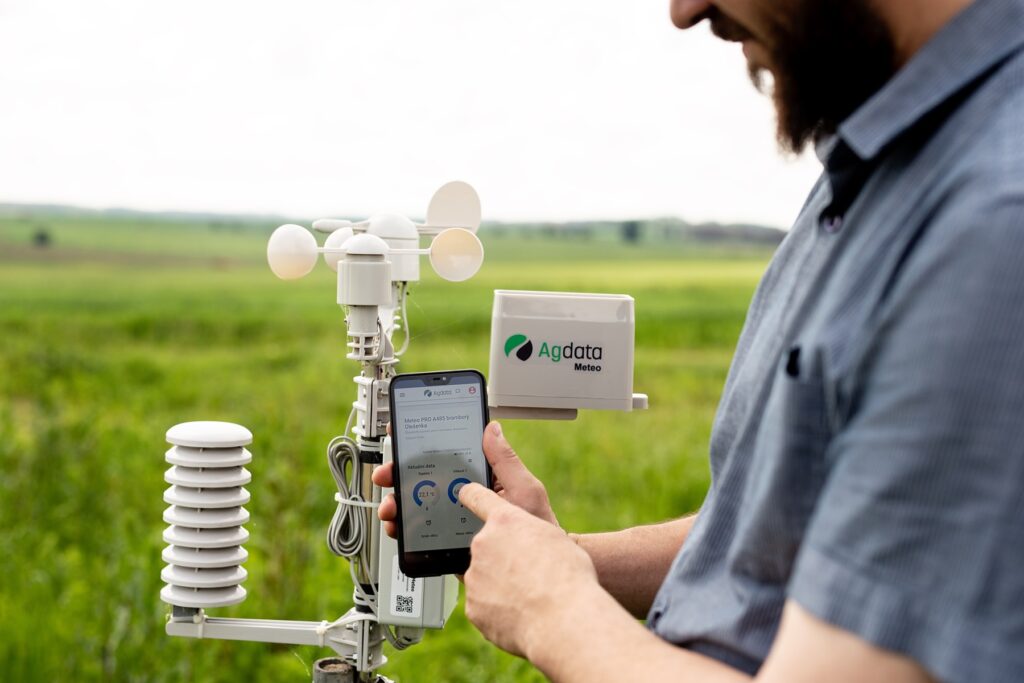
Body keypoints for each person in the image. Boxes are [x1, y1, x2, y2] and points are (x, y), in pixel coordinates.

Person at [375, 0, 1024, 680]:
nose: (685, 11)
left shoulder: (992, 225)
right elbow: (780, 541)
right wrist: (556, 553)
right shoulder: (876, 166)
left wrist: (553, 608)